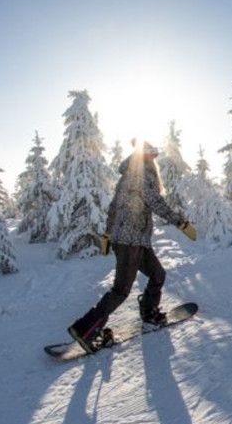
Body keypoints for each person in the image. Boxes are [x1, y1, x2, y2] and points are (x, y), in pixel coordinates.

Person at [67, 140, 196, 353]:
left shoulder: (128, 176)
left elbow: (113, 208)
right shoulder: (141, 175)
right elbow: (156, 203)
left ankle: (149, 314)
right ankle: (86, 330)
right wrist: (180, 222)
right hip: (129, 242)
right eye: (152, 157)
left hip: (136, 241)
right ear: (146, 158)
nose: (154, 161)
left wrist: (108, 234)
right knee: (121, 290)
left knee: (157, 275)